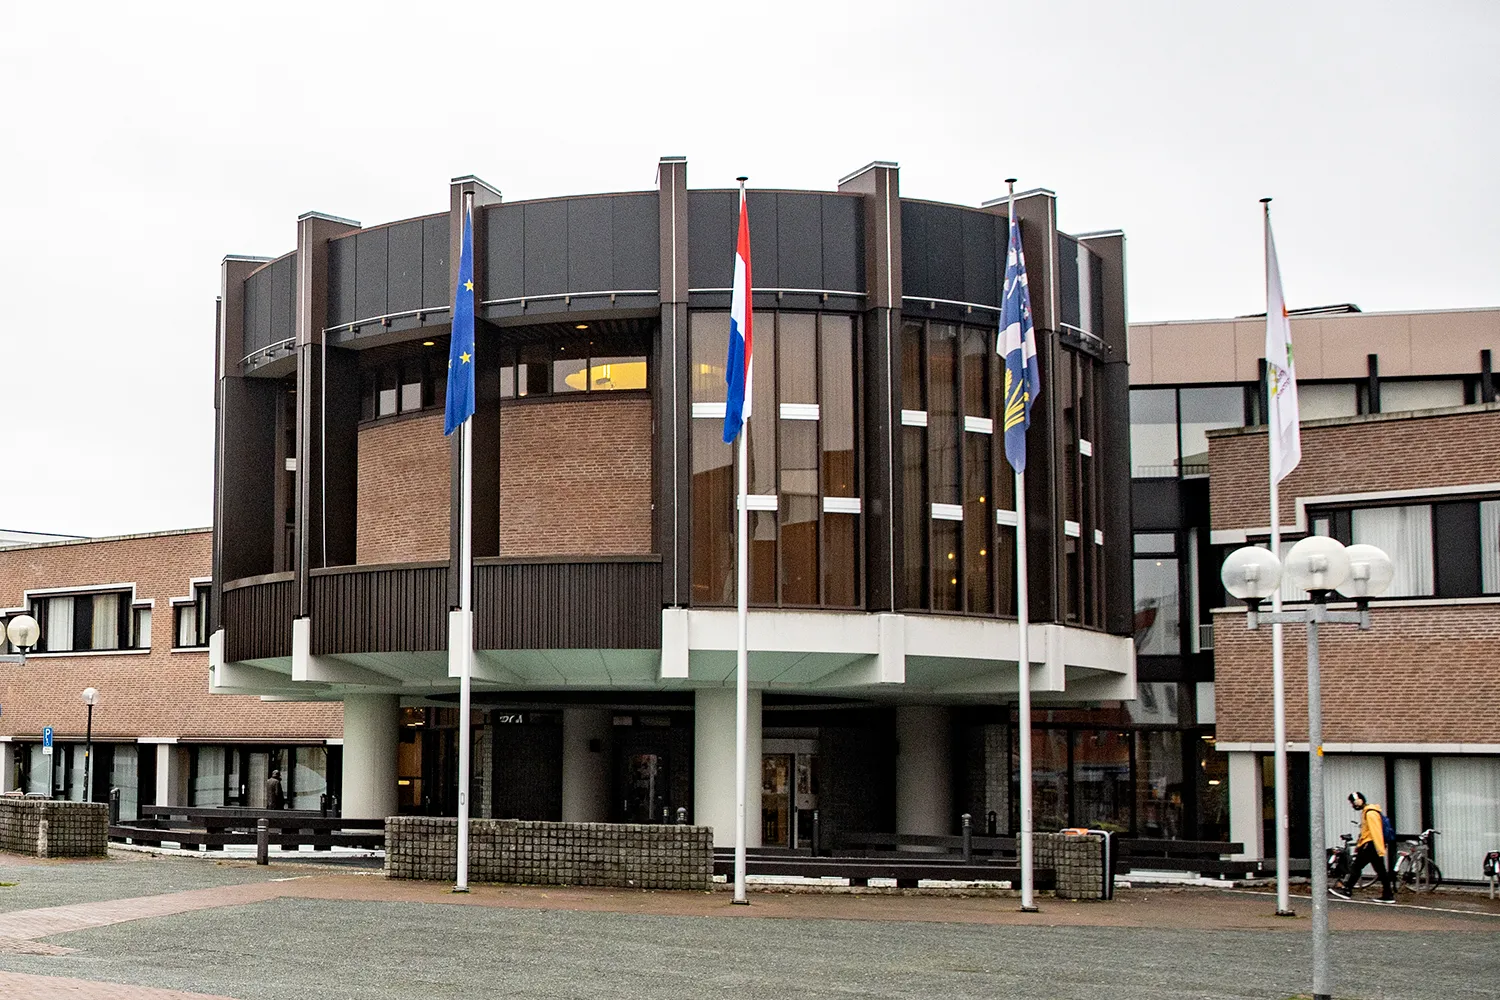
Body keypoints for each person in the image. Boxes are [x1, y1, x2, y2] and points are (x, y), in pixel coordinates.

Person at [1331, 791, 1394, 903]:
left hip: (1370, 845)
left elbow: (1375, 831)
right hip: (1372, 845)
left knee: (1356, 867)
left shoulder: (1370, 813)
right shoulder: (1370, 811)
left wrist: (1377, 847)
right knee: (1380, 870)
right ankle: (1388, 894)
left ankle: (1347, 890)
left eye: (1353, 803)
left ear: (1358, 801)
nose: (1353, 805)